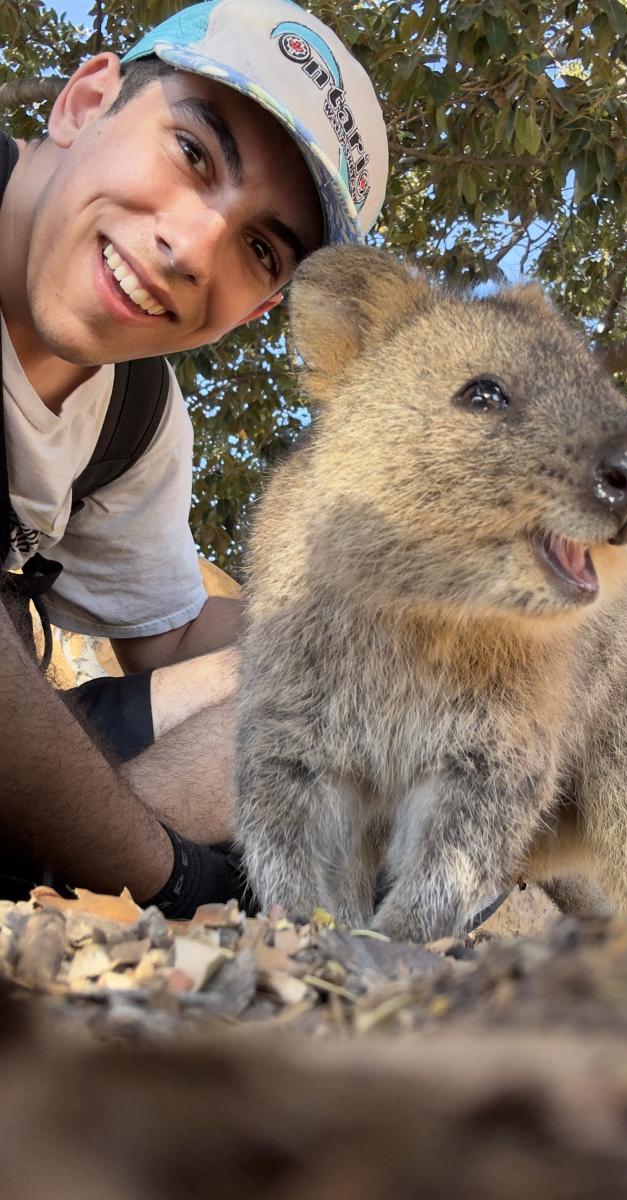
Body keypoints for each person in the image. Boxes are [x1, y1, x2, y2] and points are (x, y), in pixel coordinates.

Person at [0, 0, 388, 915]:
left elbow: (168, 637)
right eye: (192, 154)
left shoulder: (132, 416)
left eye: (259, 248)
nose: (192, 247)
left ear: (260, 308)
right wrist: (167, 875)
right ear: (84, 101)